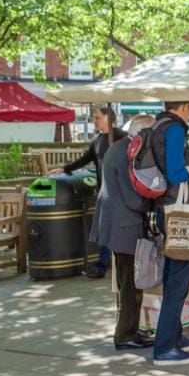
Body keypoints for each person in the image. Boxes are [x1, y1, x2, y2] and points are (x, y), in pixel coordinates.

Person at [151, 100, 189, 367]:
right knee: (178, 280)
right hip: (178, 213)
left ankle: (172, 336)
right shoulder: (174, 129)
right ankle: (164, 347)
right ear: (184, 105)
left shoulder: (157, 126)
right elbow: (176, 174)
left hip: (164, 208)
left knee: (171, 278)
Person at [90, 113, 157, 350]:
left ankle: (129, 327)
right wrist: (152, 204)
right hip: (124, 224)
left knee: (127, 281)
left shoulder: (117, 147)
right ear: (144, 132)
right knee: (130, 283)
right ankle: (125, 335)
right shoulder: (130, 152)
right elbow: (132, 196)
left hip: (114, 221)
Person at [50, 106, 127, 279]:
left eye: (97, 117)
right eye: (94, 118)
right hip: (105, 192)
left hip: (122, 193)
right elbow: (85, 159)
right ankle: (101, 266)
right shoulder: (97, 140)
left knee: (120, 230)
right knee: (103, 229)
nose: (94, 121)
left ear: (109, 118)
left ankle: (121, 265)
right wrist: (64, 169)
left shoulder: (123, 137)